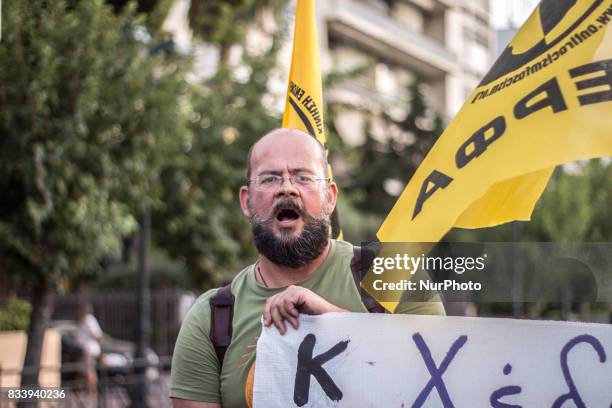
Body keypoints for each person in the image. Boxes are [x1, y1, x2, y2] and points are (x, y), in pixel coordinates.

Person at [170, 128, 445, 408]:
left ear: (330, 197)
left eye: (303, 177)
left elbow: (441, 380)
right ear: (246, 200)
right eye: (269, 178)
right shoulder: (210, 318)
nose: (287, 187)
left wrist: (334, 322)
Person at [76, 302, 103, 392]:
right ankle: (86, 389)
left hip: (90, 350)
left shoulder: (89, 320)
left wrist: (99, 347)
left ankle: (92, 390)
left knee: (89, 370)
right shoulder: (84, 320)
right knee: (84, 370)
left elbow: (98, 335)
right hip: (85, 350)